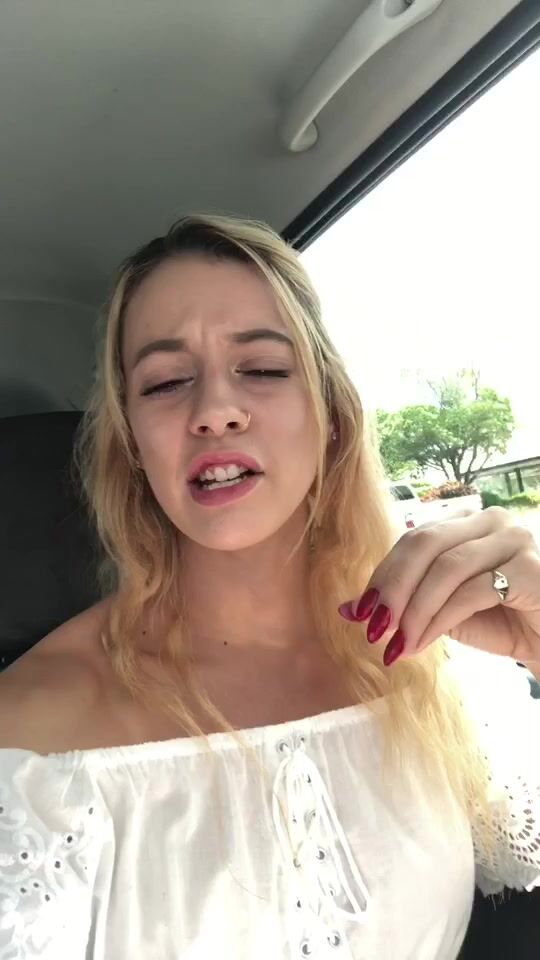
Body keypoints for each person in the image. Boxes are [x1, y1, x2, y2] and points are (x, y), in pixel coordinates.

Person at [0, 214, 539, 959]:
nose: (215, 411)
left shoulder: (442, 663)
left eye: (261, 368)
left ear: (331, 414)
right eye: (166, 382)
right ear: (133, 444)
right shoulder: (25, 737)